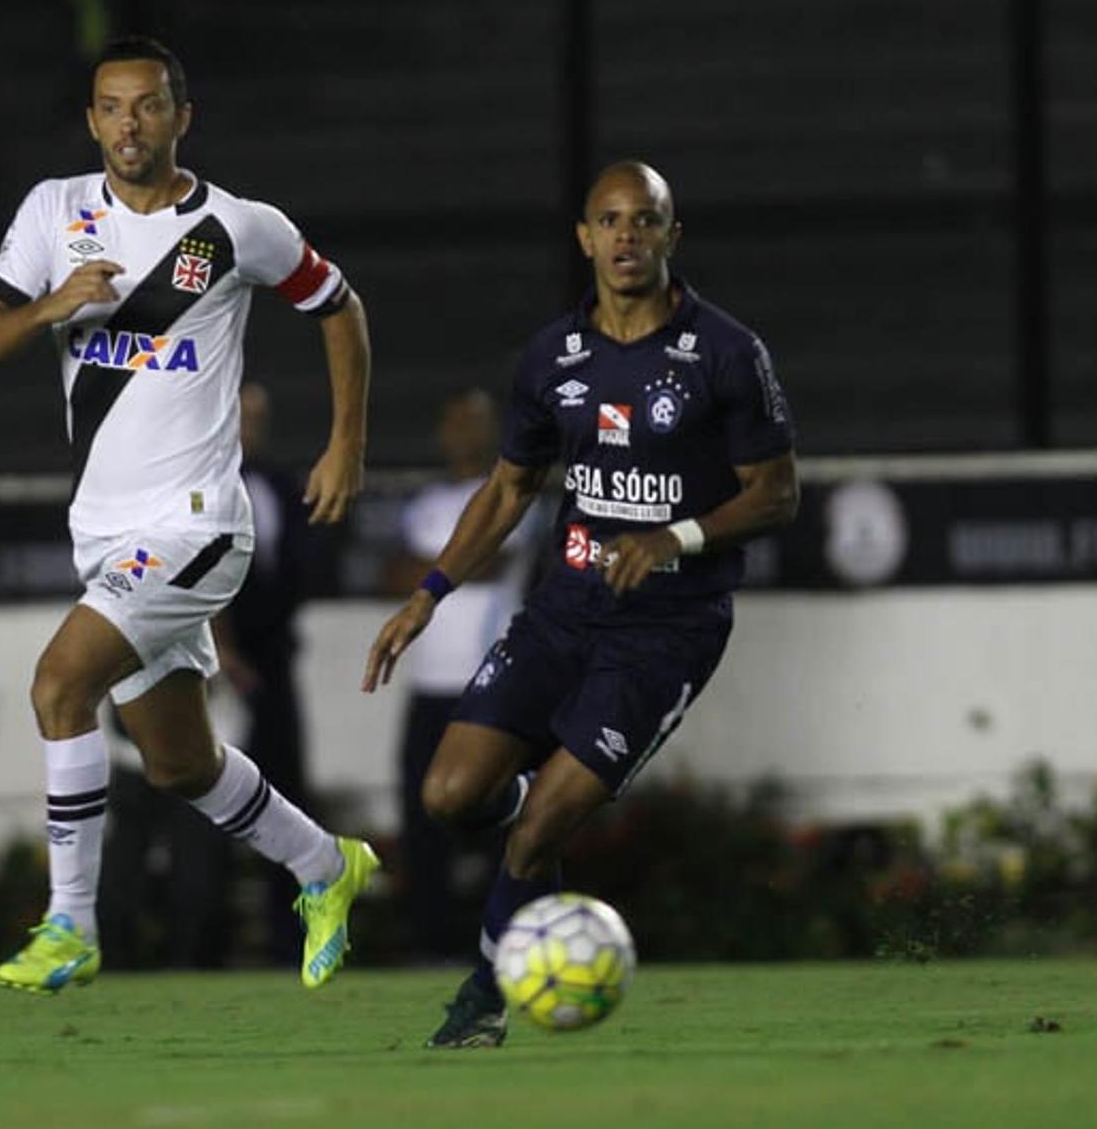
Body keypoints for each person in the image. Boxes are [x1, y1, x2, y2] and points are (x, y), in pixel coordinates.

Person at [0, 35, 379, 994]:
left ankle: (71, 923)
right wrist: (51, 307)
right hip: (105, 533)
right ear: (92, 120)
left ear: (181, 118)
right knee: (178, 763)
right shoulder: (53, 212)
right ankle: (327, 865)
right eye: (111, 107)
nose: (129, 125)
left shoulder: (237, 229)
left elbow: (339, 305)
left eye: (148, 106)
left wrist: (346, 442)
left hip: (195, 526)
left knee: (60, 685)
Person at [362, 161, 799, 1046]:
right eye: (610, 221)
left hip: (668, 631)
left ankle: (483, 998)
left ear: (673, 236)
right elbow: (508, 488)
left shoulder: (725, 352)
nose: (627, 237)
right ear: (585, 238)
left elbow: (777, 494)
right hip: (565, 611)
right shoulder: (553, 356)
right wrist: (428, 595)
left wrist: (671, 537)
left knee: (537, 832)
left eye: (646, 221)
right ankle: (532, 789)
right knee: (448, 795)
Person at [385, 388, 540, 961]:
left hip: (490, 681)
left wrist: (428, 568)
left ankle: (509, 941)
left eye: (472, 424)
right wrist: (443, 566)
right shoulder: (426, 503)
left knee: (503, 818)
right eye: (452, 423)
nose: (461, 436)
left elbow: (490, 559)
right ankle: (432, 944)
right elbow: (392, 571)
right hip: (428, 685)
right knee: (421, 817)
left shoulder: (510, 494)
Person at [214, 381, 315, 965]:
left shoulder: (283, 485)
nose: (251, 426)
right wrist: (223, 651)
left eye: (259, 416)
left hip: (274, 669)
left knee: (284, 796)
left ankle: (287, 939)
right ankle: (206, 944)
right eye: (241, 415)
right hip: (214, 669)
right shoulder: (196, 481)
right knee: (212, 798)